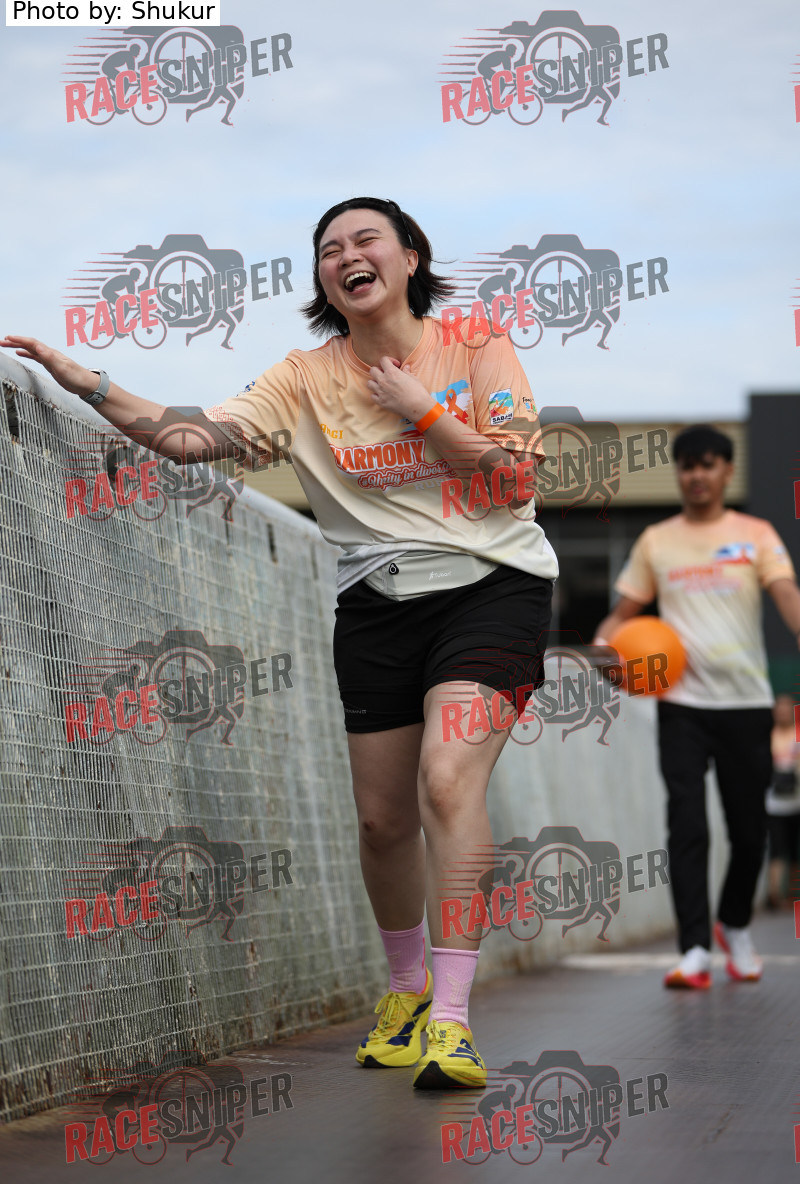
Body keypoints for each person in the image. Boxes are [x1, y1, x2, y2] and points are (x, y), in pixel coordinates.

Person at [1, 197, 558, 1089]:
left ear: (410, 257)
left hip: (492, 586)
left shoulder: (477, 346)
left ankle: (453, 1023)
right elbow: (193, 439)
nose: (347, 256)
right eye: (329, 249)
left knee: (447, 780)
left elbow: (514, 478)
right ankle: (407, 992)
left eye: (366, 240)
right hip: (377, 603)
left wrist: (421, 409)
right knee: (382, 821)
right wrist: (86, 383)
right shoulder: (304, 379)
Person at [594, 424, 800, 988]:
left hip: (746, 703)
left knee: (749, 831)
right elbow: (623, 610)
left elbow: (786, 593)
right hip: (681, 705)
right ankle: (694, 950)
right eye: (687, 466)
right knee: (686, 825)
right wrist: (603, 646)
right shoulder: (656, 541)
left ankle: (735, 924)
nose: (697, 475)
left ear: (726, 471)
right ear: (678, 473)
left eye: (708, 464)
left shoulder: (755, 534)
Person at [765, 694, 800, 909]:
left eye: (786, 709)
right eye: (779, 709)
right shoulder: (768, 736)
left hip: (797, 802)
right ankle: (774, 895)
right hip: (775, 804)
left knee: (795, 849)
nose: (783, 713)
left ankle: (793, 894)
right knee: (776, 848)